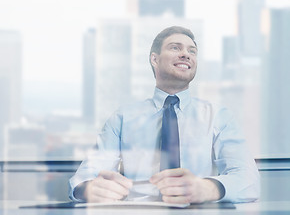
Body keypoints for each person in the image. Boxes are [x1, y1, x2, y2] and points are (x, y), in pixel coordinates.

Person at [69, 26, 260, 204]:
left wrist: (208, 188)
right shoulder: (122, 117)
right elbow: (84, 176)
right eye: (175, 48)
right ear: (155, 59)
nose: (186, 54)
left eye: (192, 51)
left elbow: (249, 180)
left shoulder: (219, 116)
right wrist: (88, 189)